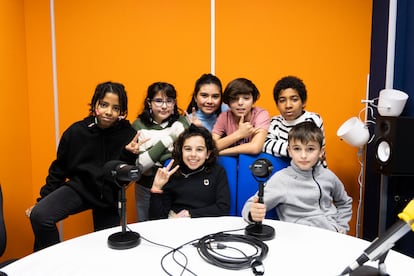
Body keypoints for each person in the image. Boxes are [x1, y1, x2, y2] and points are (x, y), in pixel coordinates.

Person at [26, 81, 139, 251]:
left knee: (108, 248)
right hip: (81, 189)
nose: (109, 112)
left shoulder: (128, 134)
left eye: (115, 108)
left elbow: (123, 176)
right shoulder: (76, 132)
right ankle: (53, 264)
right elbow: (58, 169)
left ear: (121, 111)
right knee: (40, 215)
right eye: (104, 105)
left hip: (108, 197)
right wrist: (42, 201)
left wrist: (129, 155)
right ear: (95, 104)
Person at [242, 121, 352, 233]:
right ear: (289, 151)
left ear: (321, 152)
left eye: (310, 149)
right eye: (297, 149)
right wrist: (252, 213)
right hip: (300, 238)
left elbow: (345, 202)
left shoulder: (328, 176)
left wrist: (342, 226)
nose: (303, 155)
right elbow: (250, 205)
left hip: (334, 235)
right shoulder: (282, 179)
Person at [129, 82, 189, 222]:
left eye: (169, 101)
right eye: (158, 101)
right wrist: (169, 139)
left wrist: (152, 153)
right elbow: (141, 166)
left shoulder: (181, 123)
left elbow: (181, 157)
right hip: (146, 185)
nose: (164, 106)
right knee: (145, 227)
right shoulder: (138, 125)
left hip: (175, 184)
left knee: (173, 227)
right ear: (149, 102)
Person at [149, 125, 230, 219]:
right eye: (188, 149)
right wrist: (156, 188)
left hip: (207, 223)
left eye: (199, 149)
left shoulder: (217, 172)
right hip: (176, 223)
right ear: (181, 151)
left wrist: (189, 213)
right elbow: (157, 219)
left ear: (207, 154)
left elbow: (223, 208)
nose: (193, 155)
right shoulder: (171, 173)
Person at [263, 75, 325, 159]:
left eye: (294, 99)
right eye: (282, 100)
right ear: (277, 105)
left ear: (303, 102)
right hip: (285, 170)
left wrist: (279, 149)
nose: (288, 105)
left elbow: (306, 152)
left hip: (313, 171)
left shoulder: (312, 119)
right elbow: (264, 144)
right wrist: (293, 149)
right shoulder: (275, 122)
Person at [212, 77, 270, 156]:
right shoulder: (224, 117)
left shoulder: (261, 114)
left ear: (253, 100)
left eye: (246, 98)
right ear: (228, 103)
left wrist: (221, 152)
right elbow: (211, 146)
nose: (240, 103)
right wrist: (239, 134)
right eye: (235, 99)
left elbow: (255, 147)